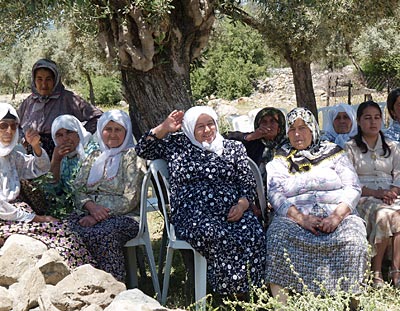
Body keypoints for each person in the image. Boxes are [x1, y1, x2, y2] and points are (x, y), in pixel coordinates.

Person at [135, 106, 267, 297]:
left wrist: (242, 205)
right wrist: (164, 127)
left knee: (253, 233)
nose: (207, 131)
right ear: (189, 128)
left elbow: (247, 183)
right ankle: (231, 295)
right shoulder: (176, 145)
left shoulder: (233, 148)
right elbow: (142, 149)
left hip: (232, 210)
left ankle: (252, 293)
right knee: (218, 235)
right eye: (200, 126)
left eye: (210, 124)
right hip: (193, 214)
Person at [265, 107, 368, 299]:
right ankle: (283, 303)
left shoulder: (334, 152)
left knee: (353, 239)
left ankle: (350, 300)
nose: (297, 134)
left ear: (313, 128)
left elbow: (353, 187)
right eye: (292, 129)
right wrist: (301, 219)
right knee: (277, 236)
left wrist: (337, 217)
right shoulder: (280, 158)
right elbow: (275, 193)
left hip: (337, 215)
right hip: (295, 219)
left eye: (302, 128)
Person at [0, 102, 94, 268]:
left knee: (64, 234)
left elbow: (38, 168)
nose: (9, 131)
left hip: (19, 214)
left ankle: (85, 279)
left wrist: (35, 146)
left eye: (13, 126)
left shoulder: (11, 154)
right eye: (3, 126)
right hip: (7, 218)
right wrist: (38, 218)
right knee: (59, 237)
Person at [69, 109, 146, 282]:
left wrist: (97, 216)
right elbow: (78, 188)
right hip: (90, 212)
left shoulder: (132, 156)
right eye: (108, 129)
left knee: (103, 234)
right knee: (68, 230)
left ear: (126, 132)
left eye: (118, 129)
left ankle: (113, 287)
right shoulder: (94, 156)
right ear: (100, 131)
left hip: (125, 216)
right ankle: (81, 285)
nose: (112, 134)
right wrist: (91, 207)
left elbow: (130, 198)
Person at [344, 100, 400, 288]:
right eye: (367, 118)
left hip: (390, 195)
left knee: (396, 213)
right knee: (384, 215)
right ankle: (376, 272)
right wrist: (377, 193)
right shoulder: (350, 147)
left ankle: (395, 270)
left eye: (377, 117)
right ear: (359, 121)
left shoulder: (392, 146)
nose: (373, 122)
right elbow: (349, 182)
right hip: (364, 196)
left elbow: (399, 175)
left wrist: (392, 191)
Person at [17, 58, 103, 157]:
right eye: (39, 79)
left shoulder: (68, 99)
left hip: (63, 154)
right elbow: (15, 124)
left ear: (55, 80)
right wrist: (23, 139)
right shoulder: (29, 102)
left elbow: (98, 116)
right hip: (34, 155)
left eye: (48, 79)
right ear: (34, 80)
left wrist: (79, 136)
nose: (44, 84)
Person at [225, 107, 286, 176]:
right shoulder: (254, 142)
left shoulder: (287, 143)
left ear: (280, 126)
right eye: (264, 122)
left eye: (272, 121)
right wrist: (250, 137)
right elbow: (225, 138)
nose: (268, 125)